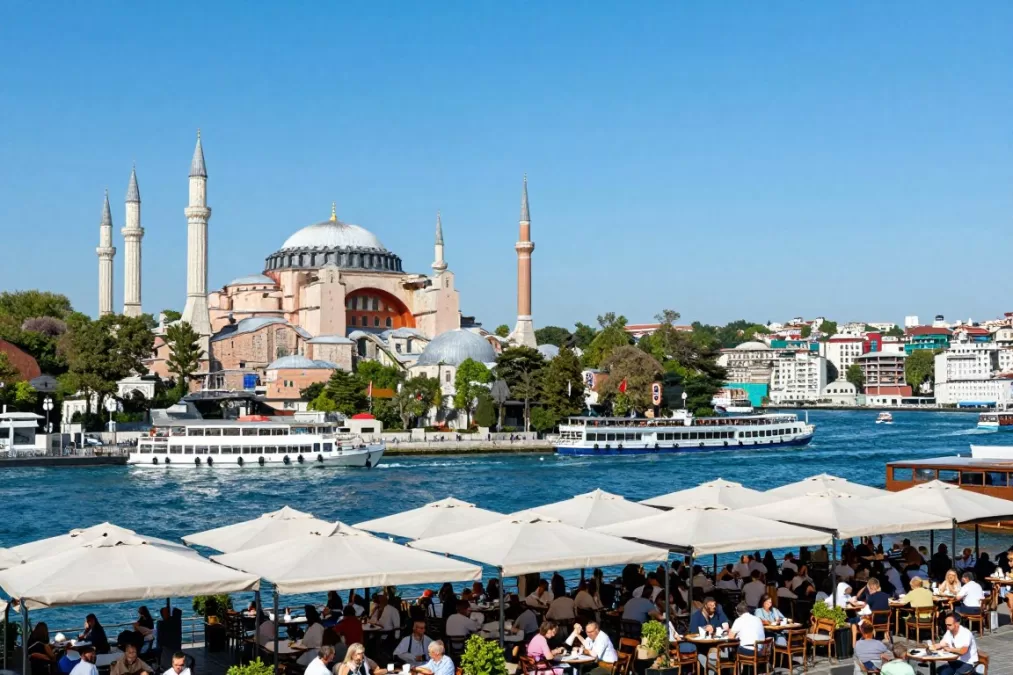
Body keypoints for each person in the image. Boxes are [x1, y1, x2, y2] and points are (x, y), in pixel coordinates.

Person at [849, 578, 890, 644]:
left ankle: (854, 645)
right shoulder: (886, 595)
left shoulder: (871, 597)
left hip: (873, 621)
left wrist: (853, 602)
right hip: (884, 620)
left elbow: (864, 606)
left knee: (853, 621)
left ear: (870, 588)